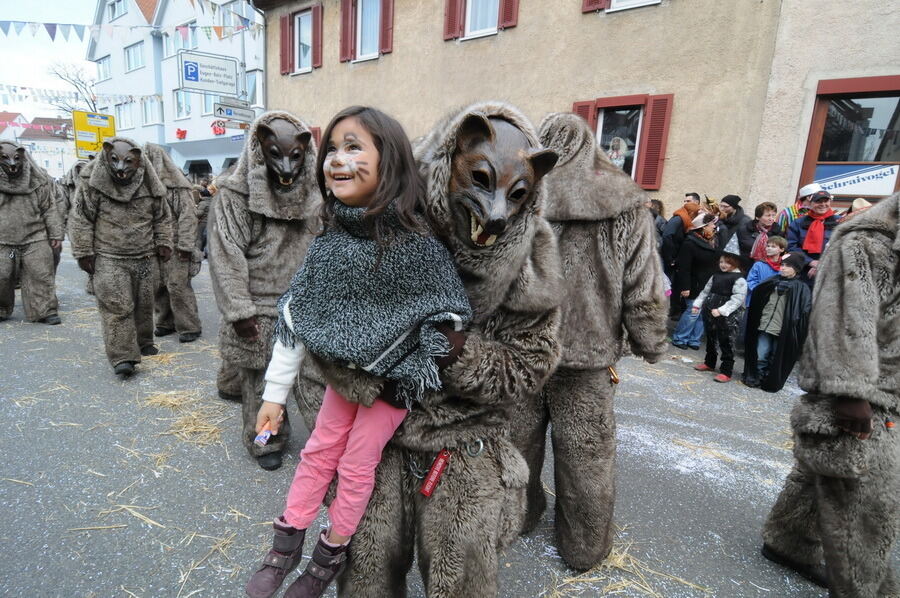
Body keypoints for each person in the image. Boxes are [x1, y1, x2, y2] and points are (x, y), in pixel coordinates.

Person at [292, 102, 562, 598]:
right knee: (366, 575)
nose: (498, 210)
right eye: (480, 180)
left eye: (517, 194)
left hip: (466, 439)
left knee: (461, 579)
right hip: (375, 436)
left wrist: (458, 355)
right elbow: (322, 323)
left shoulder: (532, 259)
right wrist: (367, 369)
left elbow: (531, 363)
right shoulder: (385, 217)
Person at [246, 106, 472, 598]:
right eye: (332, 149)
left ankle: (328, 557)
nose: (336, 160)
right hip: (345, 379)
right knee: (318, 450)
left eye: (354, 147)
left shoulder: (418, 246)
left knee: (356, 462)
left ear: (388, 161)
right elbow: (296, 317)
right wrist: (274, 397)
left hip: (393, 385)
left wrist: (414, 357)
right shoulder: (330, 242)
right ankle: (284, 545)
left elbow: (449, 314)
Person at [509, 112, 666, 571]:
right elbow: (644, 285)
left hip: (523, 351)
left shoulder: (520, 195)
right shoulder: (624, 203)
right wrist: (650, 341)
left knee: (516, 444)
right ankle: (584, 548)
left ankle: (517, 517)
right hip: (588, 355)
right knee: (587, 457)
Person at [761, 191, 900, 596]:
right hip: (871, 391)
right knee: (870, 502)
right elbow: (842, 317)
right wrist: (850, 391)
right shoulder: (866, 243)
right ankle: (868, 590)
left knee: (824, 467)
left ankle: (789, 541)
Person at [208, 111, 321, 470]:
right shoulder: (234, 196)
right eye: (276, 155)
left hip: (305, 304)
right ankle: (264, 442)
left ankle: (327, 446)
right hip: (259, 307)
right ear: (260, 150)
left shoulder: (320, 196)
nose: (286, 167)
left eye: (295, 156)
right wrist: (240, 310)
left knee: (315, 383)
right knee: (259, 384)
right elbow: (226, 254)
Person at [69, 138, 173, 377]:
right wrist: (84, 251)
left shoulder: (149, 184)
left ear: (137, 160)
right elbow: (81, 219)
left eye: (128, 162)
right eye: (114, 160)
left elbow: (161, 218)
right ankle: (123, 356)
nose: (120, 167)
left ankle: (144, 341)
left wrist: (164, 242)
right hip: (109, 256)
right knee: (117, 307)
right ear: (106, 157)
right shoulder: (92, 184)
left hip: (145, 256)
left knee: (144, 303)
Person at [0, 141, 64, 325]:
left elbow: (50, 209)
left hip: (35, 237)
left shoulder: (37, 181)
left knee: (41, 274)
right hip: (3, 239)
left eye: (17, 159)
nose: (12, 163)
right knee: (2, 276)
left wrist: (55, 234)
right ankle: (1, 308)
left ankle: (45, 310)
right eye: (5, 159)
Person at [144, 143, 202, 343]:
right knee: (159, 286)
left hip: (176, 245)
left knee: (178, 285)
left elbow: (188, 216)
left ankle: (189, 325)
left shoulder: (178, 188)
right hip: (154, 245)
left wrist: (186, 246)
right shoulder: (144, 188)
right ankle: (164, 322)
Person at [740, 252, 810, 390]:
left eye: (787, 266)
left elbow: (803, 312)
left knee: (776, 357)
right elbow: (759, 297)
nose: (782, 268)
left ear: (796, 269)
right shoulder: (771, 281)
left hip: (783, 329)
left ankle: (769, 380)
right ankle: (756, 377)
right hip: (765, 325)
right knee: (761, 353)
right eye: (782, 265)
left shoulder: (801, 288)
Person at [691, 254, 747, 382]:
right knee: (710, 337)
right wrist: (697, 304)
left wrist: (722, 310)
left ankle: (726, 371)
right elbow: (705, 291)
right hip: (711, 309)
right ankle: (709, 362)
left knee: (726, 341)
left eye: (727, 262)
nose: (723, 265)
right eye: (721, 262)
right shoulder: (715, 275)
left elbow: (738, 299)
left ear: (735, 263)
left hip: (728, 316)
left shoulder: (739, 280)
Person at [671, 213, 719, 349]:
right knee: (693, 312)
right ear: (703, 227)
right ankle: (680, 338)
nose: (714, 227)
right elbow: (683, 267)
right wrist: (685, 287)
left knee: (701, 314)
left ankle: (694, 340)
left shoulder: (712, 241)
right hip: (694, 284)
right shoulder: (690, 243)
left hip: (706, 284)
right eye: (711, 225)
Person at [786, 189, 841, 284]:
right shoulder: (798, 223)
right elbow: (791, 246)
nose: (823, 204)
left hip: (831, 273)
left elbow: (844, 246)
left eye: (826, 201)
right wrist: (811, 262)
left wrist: (822, 264)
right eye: (818, 201)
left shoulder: (840, 222)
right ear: (810, 204)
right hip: (804, 273)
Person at [660, 200, 701, 318]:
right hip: (669, 258)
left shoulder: (682, 219)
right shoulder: (678, 219)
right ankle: (667, 310)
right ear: (691, 213)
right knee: (668, 285)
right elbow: (667, 237)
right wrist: (670, 258)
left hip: (673, 257)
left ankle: (672, 309)